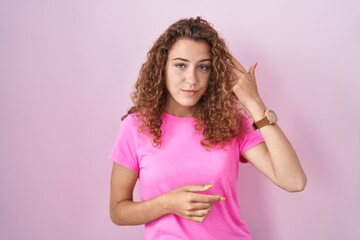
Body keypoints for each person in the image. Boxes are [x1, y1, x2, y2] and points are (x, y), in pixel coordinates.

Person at [108, 16, 307, 240]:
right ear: (161, 67)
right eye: (180, 65)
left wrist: (254, 103)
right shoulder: (136, 126)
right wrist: (166, 204)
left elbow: (294, 181)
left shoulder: (230, 122)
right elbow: (118, 210)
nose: (191, 79)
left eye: (203, 67)